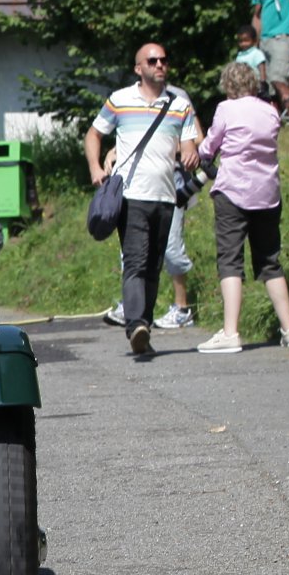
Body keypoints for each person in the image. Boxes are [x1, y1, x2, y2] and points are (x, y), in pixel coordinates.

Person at [84, 42, 200, 356]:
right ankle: (135, 322)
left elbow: (190, 143)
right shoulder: (120, 100)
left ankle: (142, 328)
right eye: (152, 61)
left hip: (166, 196)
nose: (159, 64)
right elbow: (94, 134)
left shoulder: (179, 105)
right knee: (135, 261)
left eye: (163, 60)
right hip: (132, 195)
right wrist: (95, 167)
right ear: (139, 68)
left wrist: (190, 152)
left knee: (153, 265)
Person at [195, 61, 289, 352]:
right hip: (267, 193)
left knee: (230, 259)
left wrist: (202, 152)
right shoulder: (270, 110)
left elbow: (209, 146)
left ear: (228, 86)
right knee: (269, 260)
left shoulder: (226, 109)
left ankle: (231, 333)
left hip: (234, 190)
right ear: (253, 84)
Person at [233, 25, 269, 97]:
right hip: (242, 86)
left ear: (254, 40)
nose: (243, 44)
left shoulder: (256, 53)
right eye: (241, 41)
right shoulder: (239, 56)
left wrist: (263, 82)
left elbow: (262, 68)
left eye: (246, 40)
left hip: (255, 85)